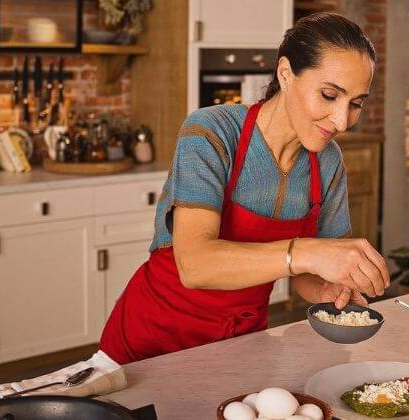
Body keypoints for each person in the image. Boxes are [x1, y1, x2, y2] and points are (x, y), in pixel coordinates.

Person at [99, 12, 389, 364]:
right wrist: (310, 252)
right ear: (285, 74)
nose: (342, 120)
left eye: (356, 103)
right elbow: (196, 266)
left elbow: (307, 274)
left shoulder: (327, 162)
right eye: (329, 95)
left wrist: (328, 287)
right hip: (152, 343)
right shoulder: (211, 132)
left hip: (240, 345)